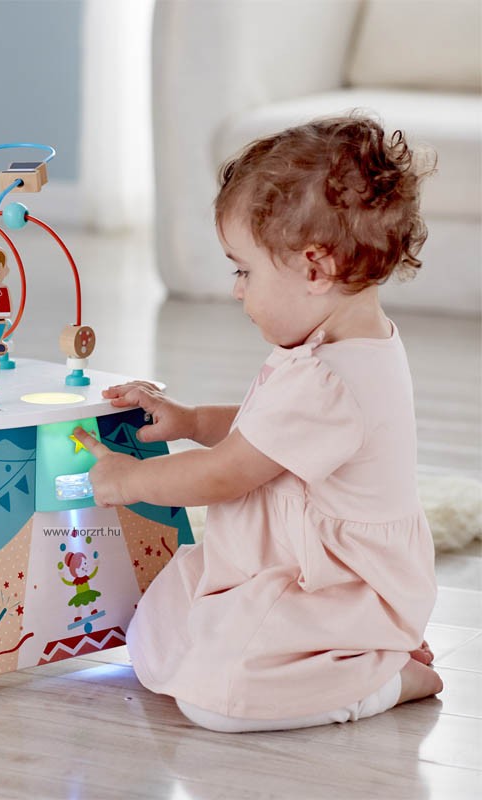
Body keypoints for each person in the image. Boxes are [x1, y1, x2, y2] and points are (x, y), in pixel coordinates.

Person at [73, 115, 443, 732]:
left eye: (244, 270)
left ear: (315, 269)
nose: (237, 290)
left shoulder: (331, 379)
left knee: (218, 698)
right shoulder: (336, 345)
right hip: (287, 566)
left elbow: (226, 474)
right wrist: (192, 420)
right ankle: (351, 656)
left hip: (337, 587)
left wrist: (128, 480)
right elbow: (265, 434)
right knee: (157, 628)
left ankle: (384, 677)